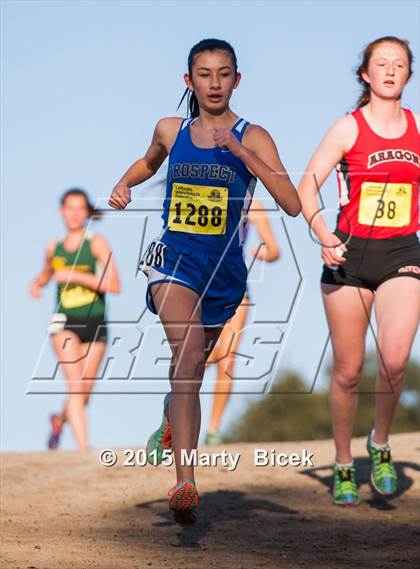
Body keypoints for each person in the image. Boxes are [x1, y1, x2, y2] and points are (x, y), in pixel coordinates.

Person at [109, 38, 301, 523]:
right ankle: (186, 483)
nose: (213, 83)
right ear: (188, 80)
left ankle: (171, 413)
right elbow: (148, 162)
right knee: (191, 352)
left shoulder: (252, 134)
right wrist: (124, 184)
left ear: (237, 80)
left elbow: (292, 202)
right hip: (172, 261)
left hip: (223, 274)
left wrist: (240, 151)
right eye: (204, 73)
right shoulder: (172, 130)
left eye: (223, 74)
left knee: (189, 364)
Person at [298, 36, 419, 506]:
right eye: (382, 64)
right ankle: (345, 462)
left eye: (400, 65)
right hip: (348, 255)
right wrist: (321, 231)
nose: (391, 71)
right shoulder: (348, 128)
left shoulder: (416, 129)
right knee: (348, 372)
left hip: (402, 254)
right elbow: (308, 184)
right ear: (365, 75)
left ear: (408, 75)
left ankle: (381, 444)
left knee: (393, 359)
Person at [30, 188, 121, 450]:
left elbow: (114, 284)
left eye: (80, 208)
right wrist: (37, 284)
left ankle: (59, 421)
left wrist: (76, 275)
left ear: (87, 212)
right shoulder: (54, 247)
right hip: (63, 323)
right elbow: (47, 273)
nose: (74, 214)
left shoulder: (96, 243)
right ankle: (83, 448)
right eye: (69, 208)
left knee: (84, 392)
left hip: (95, 323)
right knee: (76, 385)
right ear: (61, 211)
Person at [205, 198, 280, 444]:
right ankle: (174, 419)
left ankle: (213, 429)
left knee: (228, 359)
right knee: (194, 356)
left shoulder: (253, 205)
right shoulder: (207, 192)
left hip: (235, 287)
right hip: (199, 287)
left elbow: (274, 249)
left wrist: (262, 252)